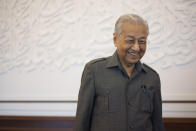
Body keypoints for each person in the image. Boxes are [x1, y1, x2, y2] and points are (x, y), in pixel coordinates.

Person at [74, 14, 165, 131]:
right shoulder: (94, 71)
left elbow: (157, 124)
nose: (136, 47)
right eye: (130, 41)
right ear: (115, 39)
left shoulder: (152, 77)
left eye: (142, 41)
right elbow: (82, 122)